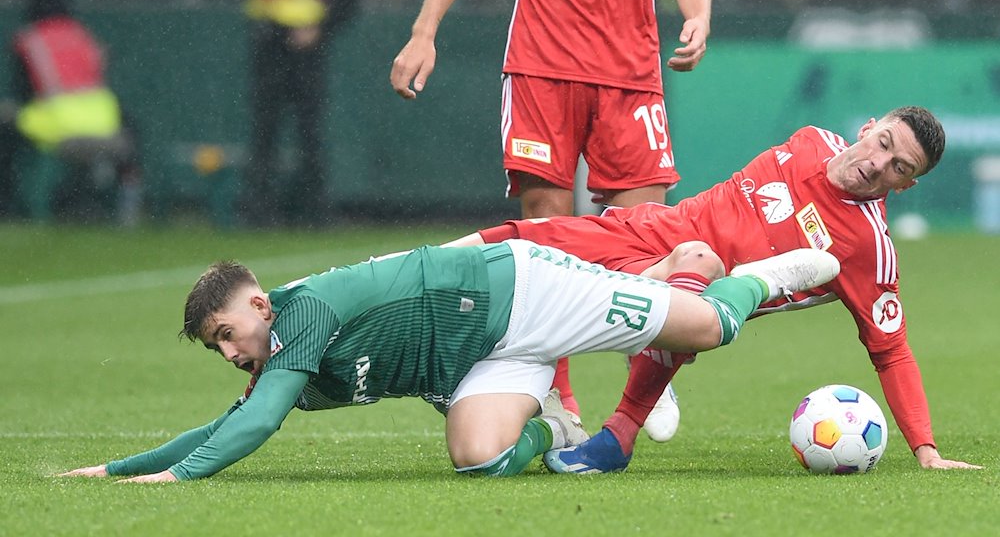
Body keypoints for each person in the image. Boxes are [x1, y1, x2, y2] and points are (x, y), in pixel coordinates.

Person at [448, 106, 983, 472]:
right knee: (537, 242)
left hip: (702, 293)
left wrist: (926, 449)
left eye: (898, 168)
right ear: (868, 127)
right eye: (883, 143)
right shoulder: (811, 139)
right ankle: (419, 268)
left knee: (671, 308)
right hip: (658, 227)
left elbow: (891, 350)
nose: (877, 163)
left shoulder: (868, 246)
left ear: (906, 185)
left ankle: (619, 433)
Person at [58, 240, 838, 482]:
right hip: (478, 365)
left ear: (260, 307)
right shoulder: (280, 361)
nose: (229, 353)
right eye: (217, 346)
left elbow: (254, 422)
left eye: (228, 333)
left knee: (706, 330)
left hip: (520, 294)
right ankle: (558, 429)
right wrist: (120, 471)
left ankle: (761, 274)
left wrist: (180, 482)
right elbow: (227, 422)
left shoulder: (304, 312)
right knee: (479, 462)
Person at [391, 0, 713, 426]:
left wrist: (698, 16)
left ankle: (646, 362)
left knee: (646, 230)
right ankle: (555, 391)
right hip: (541, 63)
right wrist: (424, 32)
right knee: (545, 231)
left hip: (630, 69)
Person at [0, 0, 140, 225]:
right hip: (104, 124)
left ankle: (12, 205)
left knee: (7, 123)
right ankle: (126, 202)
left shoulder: (29, 39)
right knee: (131, 133)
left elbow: (23, 91)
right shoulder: (83, 36)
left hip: (57, 123)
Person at [229, 0, 357, 227]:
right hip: (269, 46)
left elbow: (347, 1)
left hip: (307, 55)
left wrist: (320, 27)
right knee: (265, 135)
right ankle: (259, 211)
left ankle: (313, 211)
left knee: (309, 135)